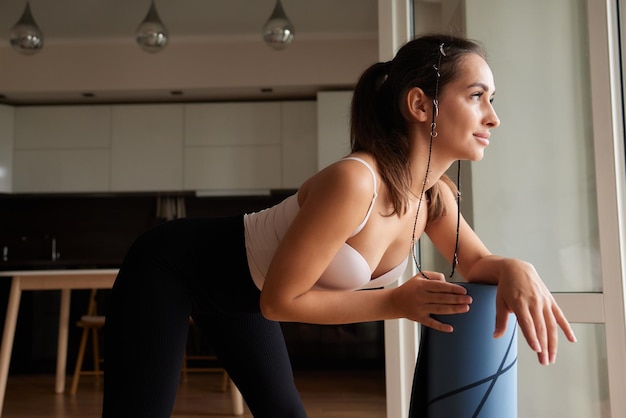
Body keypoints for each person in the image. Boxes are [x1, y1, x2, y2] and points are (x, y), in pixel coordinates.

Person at [102, 33, 577, 418]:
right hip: (170, 268)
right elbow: (280, 301)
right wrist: (395, 301)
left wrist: (517, 268)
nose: (493, 118)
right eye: (476, 97)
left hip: (245, 294)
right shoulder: (356, 182)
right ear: (420, 106)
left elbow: (475, 261)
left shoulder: (434, 198)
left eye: (492, 100)